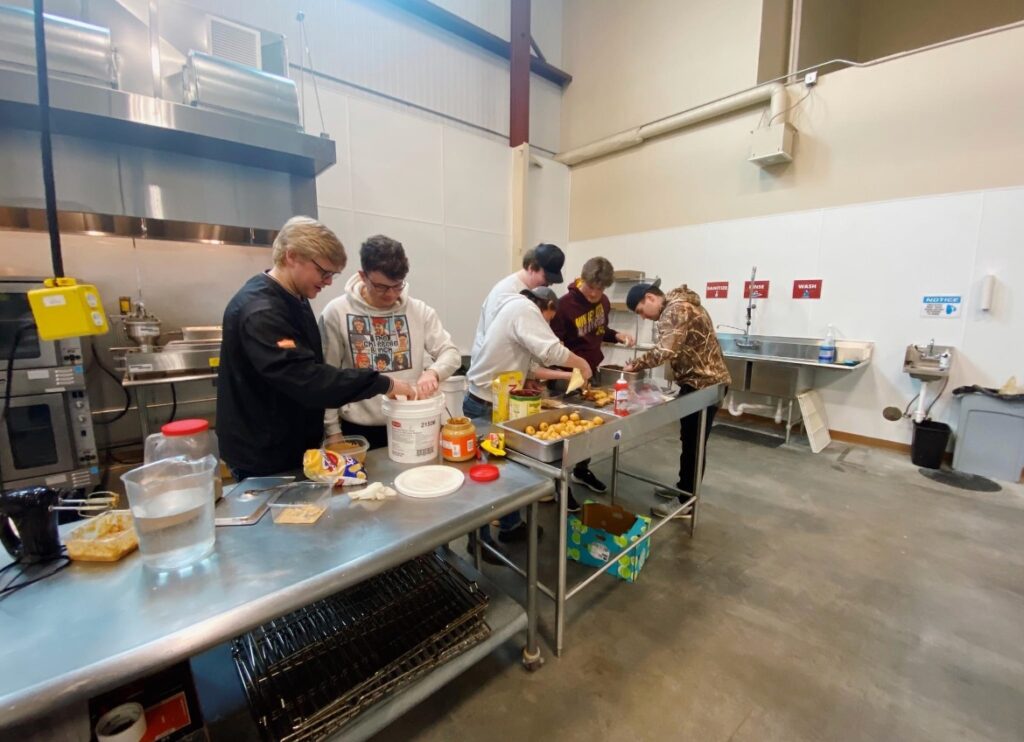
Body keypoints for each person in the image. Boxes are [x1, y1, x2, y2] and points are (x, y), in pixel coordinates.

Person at [217, 217, 416, 481]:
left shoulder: (294, 297)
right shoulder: (261, 311)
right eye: (324, 272)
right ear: (292, 256)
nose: (328, 282)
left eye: (332, 274)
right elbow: (309, 379)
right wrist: (384, 383)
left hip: (289, 443)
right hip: (263, 453)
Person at [465, 287, 593, 561]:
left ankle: (511, 525)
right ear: (546, 305)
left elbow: (531, 366)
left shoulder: (514, 310)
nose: (546, 325)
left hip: (497, 400)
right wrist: (581, 364)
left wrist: (561, 373)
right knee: (486, 476)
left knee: (511, 468)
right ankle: (479, 542)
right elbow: (550, 350)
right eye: (548, 319)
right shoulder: (524, 309)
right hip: (486, 403)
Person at [320, 234, 461, 449]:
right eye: (381, 287)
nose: (391, 295)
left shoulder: (419, 311)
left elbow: (450, 353)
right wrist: (332, 431)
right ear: (363, 276)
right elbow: (327, 376)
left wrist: (433, 372)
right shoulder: (337, 312)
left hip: (412, 422)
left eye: (397, 286)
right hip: (361, 428)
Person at [624, 279, 731, 519]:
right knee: (689, 440)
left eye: (641, 311)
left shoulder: (675, 310)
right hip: (701, 384)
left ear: (650, 298)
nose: (643, 317)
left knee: (694, 444)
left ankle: (686, 503)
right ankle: (683, 488)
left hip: (704, 387)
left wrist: (636, 364)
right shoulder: (683, 305)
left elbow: (666, 350)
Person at [549, 257, 635, 498]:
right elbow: (554, 346)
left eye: (601, 289)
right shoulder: (564, 306)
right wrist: (573, 372)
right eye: (591, 287)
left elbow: (599, 330)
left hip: (593, 371)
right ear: (582, 279)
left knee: (589, 428)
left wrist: (616, 334)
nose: (595, 294)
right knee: (564, 430)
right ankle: (559, 484)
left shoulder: (603, 302)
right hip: (566, 376)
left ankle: (581, 470)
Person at [470, 243, 565, 360]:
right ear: (531, 268)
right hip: (493, 366)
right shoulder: (505, 292)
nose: (549, 284)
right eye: (546, 278)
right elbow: (496, 340)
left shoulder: (535, 294)